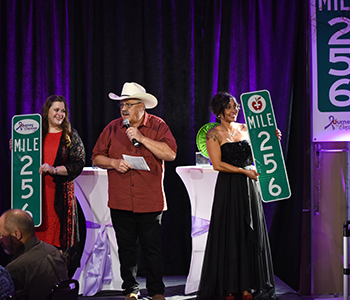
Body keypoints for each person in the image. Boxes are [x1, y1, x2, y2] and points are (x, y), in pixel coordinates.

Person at [92, 82, 177, 300]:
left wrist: (141, 138)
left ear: (142, 106)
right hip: (121, 201)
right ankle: (130, 289)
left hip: (149, 200)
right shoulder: (112, 128)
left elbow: (170, 154)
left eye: (129, 104)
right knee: (126, 249)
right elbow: (96, 157)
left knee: (152, 249)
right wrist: (113, 163)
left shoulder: (158, 126)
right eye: (122, 104)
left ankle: (157, 291)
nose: (124, 109)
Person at [197, 92, 280, 300]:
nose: (234, 110)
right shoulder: (213, 134)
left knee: (246, 233)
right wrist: (244, 172)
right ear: (219, 111)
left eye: (236, 107)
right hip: (229, 186)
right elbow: (217, 164)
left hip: (249, 186)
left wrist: (272, 140)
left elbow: (257, 155)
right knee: (230, 234)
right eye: (229, 107)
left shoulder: (245, 128)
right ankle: (230, 287)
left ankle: (247, 286)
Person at [35, 94, 86, 276]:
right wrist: (17, 147)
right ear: (46, 111)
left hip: (60, 197)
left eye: (63, 110)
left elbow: (78, 163)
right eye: (56, 110)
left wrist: (54, 170)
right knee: (38, 239)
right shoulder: (36, 134)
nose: (60, 114)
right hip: (37, 196)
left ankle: (59, 282)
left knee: (59, 240)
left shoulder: (70, 135)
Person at [0, 208, 69, 300]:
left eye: (2, 235)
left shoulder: (16, 268)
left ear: (17, 234)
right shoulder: (54, 251)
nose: (0, 240)